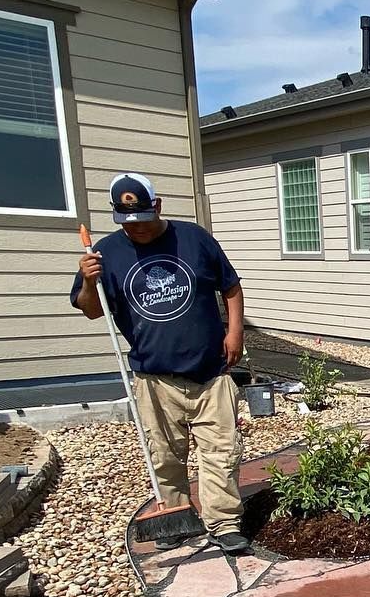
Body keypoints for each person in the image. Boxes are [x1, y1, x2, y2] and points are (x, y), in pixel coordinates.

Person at [71, 172, 250, 554]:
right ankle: (175, 514)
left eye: (143, 220)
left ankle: (224, 523)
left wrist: (235, 333)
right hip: (154, 376)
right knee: (165, 454)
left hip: (210, 370)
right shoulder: (105, 255)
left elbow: (231, 286)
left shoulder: (194, 238)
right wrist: (88, 282)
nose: (136, 229)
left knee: (221, 451)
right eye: (127, 223)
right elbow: (90, 311)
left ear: (158, 206)